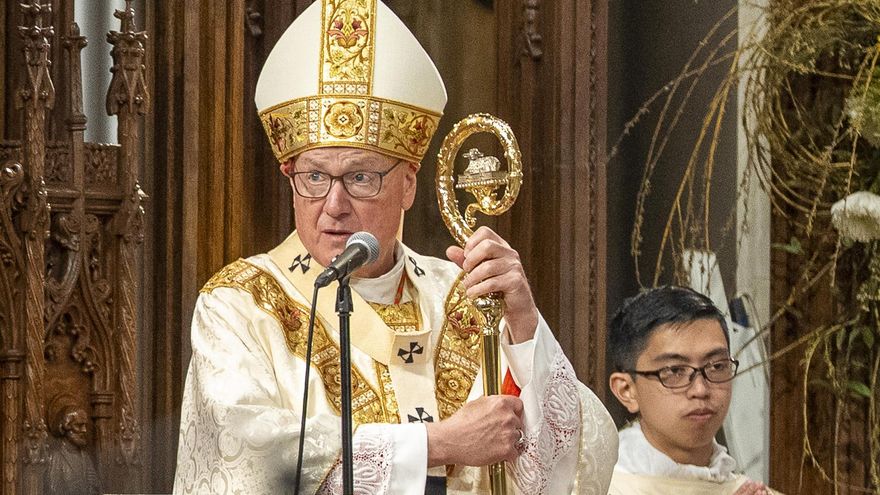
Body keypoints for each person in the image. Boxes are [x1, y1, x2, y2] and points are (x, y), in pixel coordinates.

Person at [172, 1, 617, 493]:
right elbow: (253, 457)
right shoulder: (241, 303)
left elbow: (573, 459)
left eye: (360, 177)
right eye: (314, 176)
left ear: (408, 185)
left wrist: (524, 325)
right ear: (289, 177)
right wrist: (437, 444)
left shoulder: (463, 295)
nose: (334, 204)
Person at [606, 286, 781, 495]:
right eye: (675, 370)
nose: (700, 389)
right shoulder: (599, 486)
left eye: (717, 366)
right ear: (627, 390)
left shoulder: (749, 491)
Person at [46, 405, 100, 495]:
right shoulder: (55, 456)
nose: (84, 430)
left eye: (85, 425)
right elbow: (53, 489)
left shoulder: (85, 457)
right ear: (65, 427)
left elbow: (95, 486)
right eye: (79, 425)